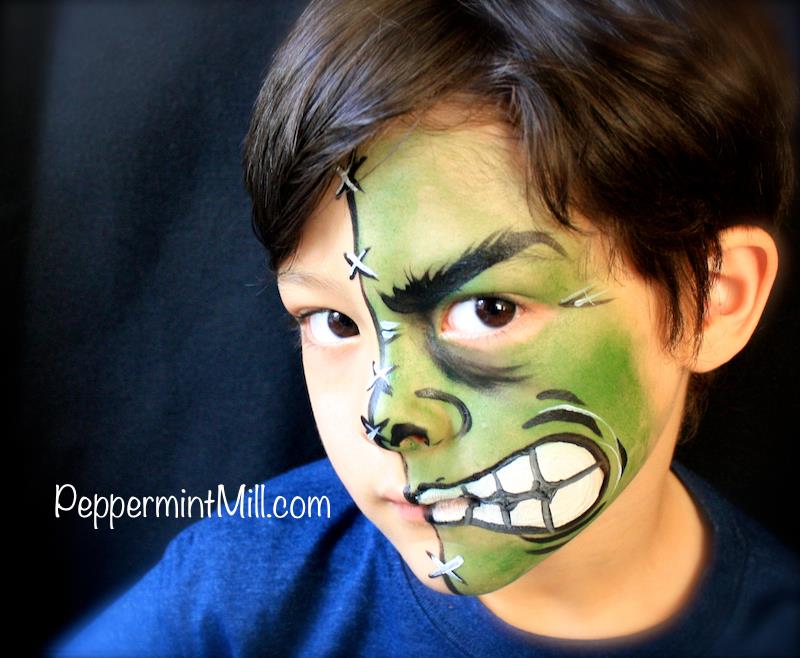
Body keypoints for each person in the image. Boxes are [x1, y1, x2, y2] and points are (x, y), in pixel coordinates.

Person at [51, 0, 799, 655]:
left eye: (487, 310)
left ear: (714, 298)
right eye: (333, 322)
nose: (383, 418)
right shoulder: (232, 598)